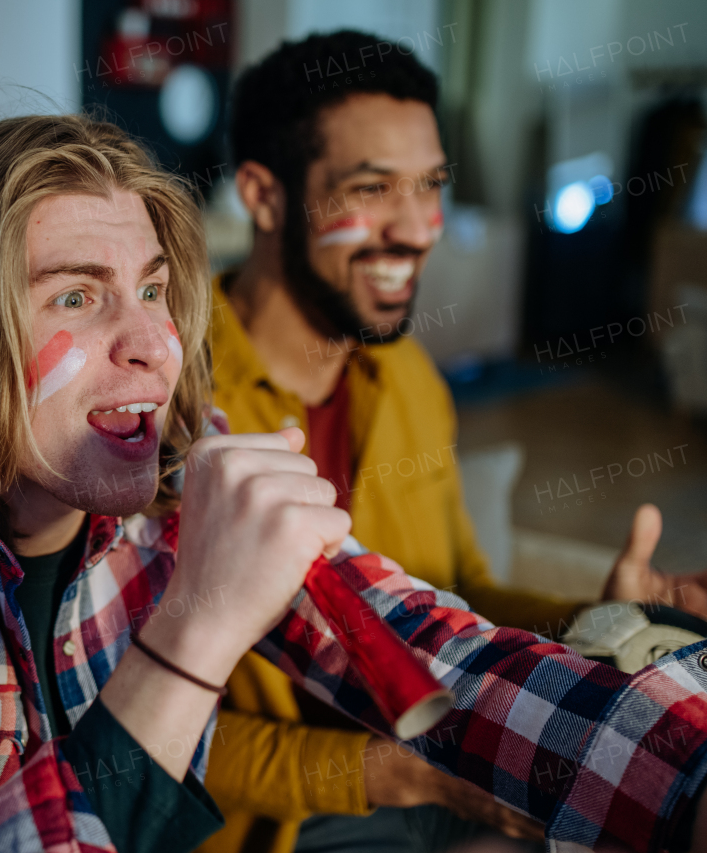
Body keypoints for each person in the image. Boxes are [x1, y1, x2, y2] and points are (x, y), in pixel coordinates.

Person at [0, 112, 707, 853]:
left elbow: (439, 652)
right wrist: (197, 626)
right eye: (77, 296)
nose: (152, 343)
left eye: (155, 287)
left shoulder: (187, 462)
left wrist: (689, 774)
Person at [202, 30, 707, 853]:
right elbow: (128, 725)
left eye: (430, 186)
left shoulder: (407, 379)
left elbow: (460, 586)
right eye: (373, 188)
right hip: (281, 817)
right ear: (263, 196)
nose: (420, 228)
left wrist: (604, 619)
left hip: (442, 762)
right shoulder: (172, 405)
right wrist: (394, 772)